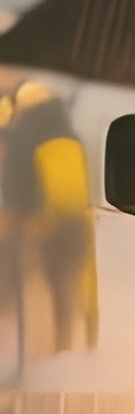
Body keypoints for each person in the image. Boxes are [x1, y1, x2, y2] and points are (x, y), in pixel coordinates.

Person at [2, 81, 98, 354]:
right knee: (65, 292)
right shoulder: (67, 136)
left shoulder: (28, 137)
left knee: (25, 290)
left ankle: (52, 351)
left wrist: (28, 218)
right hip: (73, 226)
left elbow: (23, 183)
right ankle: (69, 346)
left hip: (43, 226)